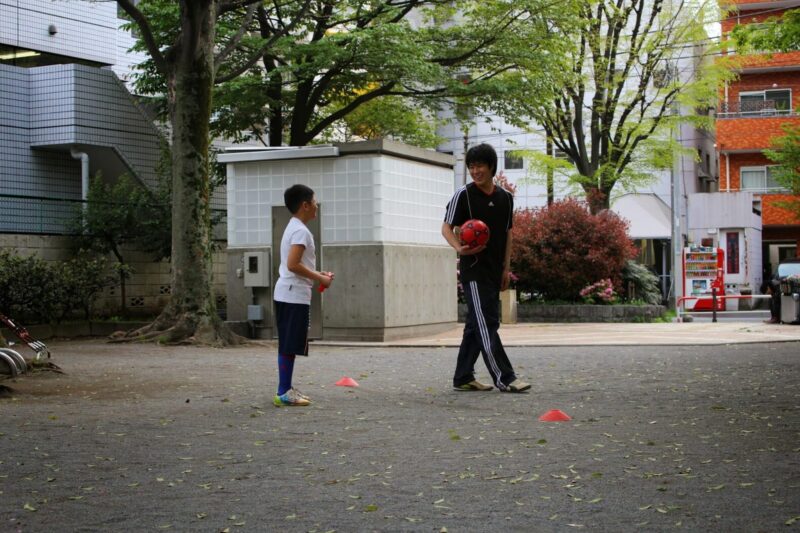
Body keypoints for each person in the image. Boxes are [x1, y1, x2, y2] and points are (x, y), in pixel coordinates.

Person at [441, 144, 531, 393]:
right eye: (471, 166)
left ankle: (463, 376)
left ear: (491, 166)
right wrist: (459, 248)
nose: (475, 171)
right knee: (487, 323)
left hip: (494, 271)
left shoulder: (506, 198)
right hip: (474, 271)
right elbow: (446, 228)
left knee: (476, 324)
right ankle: (505, 377)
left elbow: (508, 234)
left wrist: (506, 269)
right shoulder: (464, 195)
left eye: (479, 165)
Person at [273, 184, 334, 407]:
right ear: (305, 205)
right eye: (314, 201)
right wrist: (320, 278)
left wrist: (319, 274)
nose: (317, 205)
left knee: (289, 343)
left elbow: (296, 264)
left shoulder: (294, 227)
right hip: (293, 294)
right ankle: (283, 392)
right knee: (289, 344)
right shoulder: (300, 231)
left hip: (290, 293)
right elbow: (293, 264)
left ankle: (286, 388)